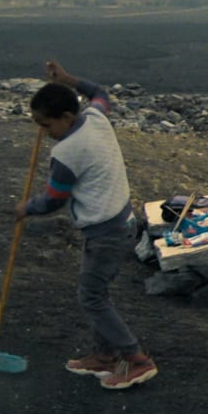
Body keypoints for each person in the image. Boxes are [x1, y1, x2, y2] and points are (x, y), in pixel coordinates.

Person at [16, 61, 158, 390]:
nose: (42, 131)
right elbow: (98, 92)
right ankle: (105, 356)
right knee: (97, 292)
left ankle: (136, 359)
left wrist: (26, 208)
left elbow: (54, 199)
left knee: (92, 297)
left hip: (105, 233)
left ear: (66, 118)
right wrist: (67, 80)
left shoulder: (67, 152)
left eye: (45, 124)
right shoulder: (96, 117)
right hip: (121, 222)